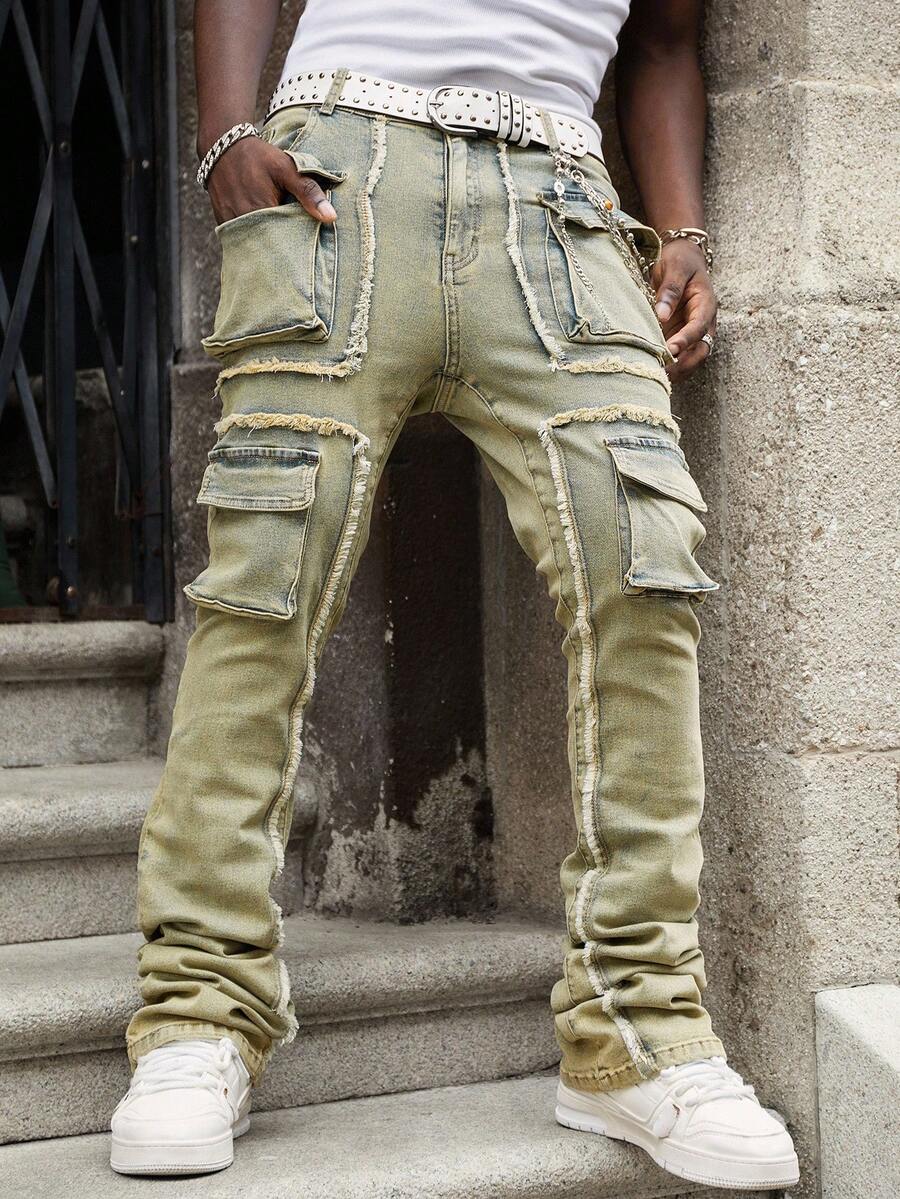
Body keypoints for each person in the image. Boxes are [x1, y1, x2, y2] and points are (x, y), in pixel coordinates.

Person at [110, 0, 800, 1188]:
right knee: (265, 582)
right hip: (337, 171)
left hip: (565, 205)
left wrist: (682, 228)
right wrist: (226, 132)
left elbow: (664, 38)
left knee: (644, 569)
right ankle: (197, 1014)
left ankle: (637, 1028)